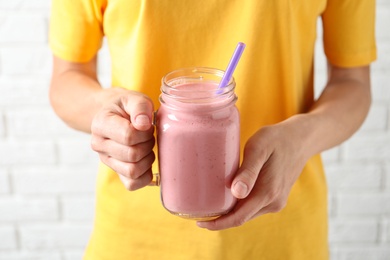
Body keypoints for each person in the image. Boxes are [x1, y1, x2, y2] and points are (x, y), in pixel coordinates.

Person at [49, 0, 376, 259]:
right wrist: (107, 115)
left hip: (281, 235)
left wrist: (303, 137)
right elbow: (67, 77)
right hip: (135, 237)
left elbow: (352, 83)